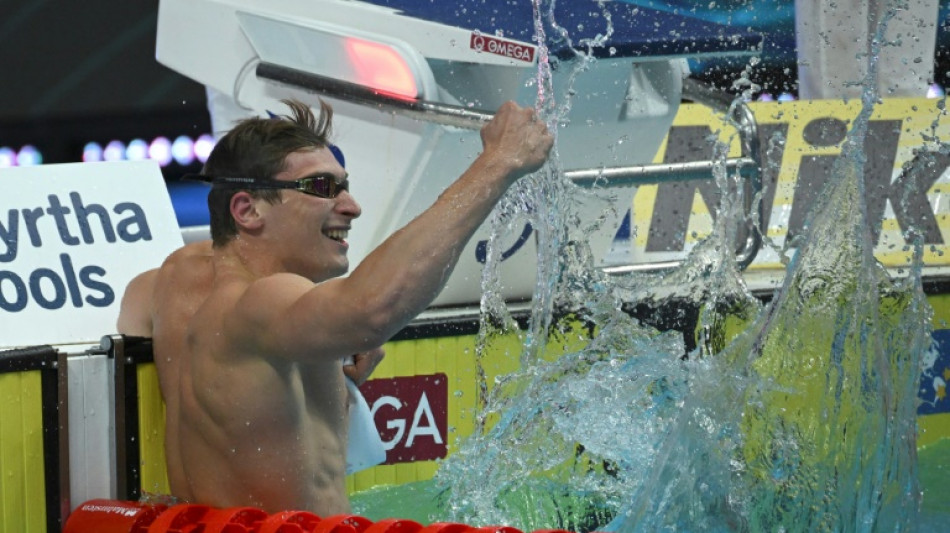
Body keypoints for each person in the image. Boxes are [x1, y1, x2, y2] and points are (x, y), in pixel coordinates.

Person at [116, 98, 553, 515]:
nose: (352, 207)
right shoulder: (256, 303)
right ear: (247, 211)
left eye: (345, 187)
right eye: (323, 187)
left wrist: (327, 337)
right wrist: (497, 163)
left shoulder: (176, 286)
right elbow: (370, 312)